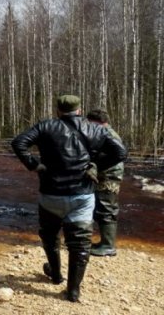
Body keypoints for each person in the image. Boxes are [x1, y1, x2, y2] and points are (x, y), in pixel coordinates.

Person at [11, 95, 127, 302]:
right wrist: (96, 165)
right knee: (80, 245)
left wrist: (33, 164)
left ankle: (55, 275)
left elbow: (19, 142)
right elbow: (120, 152)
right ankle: (73, 291)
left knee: (50, 237)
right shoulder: (96, 129)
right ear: (79, 109)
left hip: (51, 193)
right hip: (82, 195)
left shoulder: (46, 126)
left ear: (58, 110)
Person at [86, 109, 124, 257]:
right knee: (103, 208)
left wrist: (97, 166)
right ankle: (105, 243)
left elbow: (119, 155)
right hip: (106, 175)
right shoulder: (105, 132)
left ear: (96, 122)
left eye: (89, 123)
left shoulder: (106, 134)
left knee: (107, 209)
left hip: (109, 177)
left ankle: (108, 246)